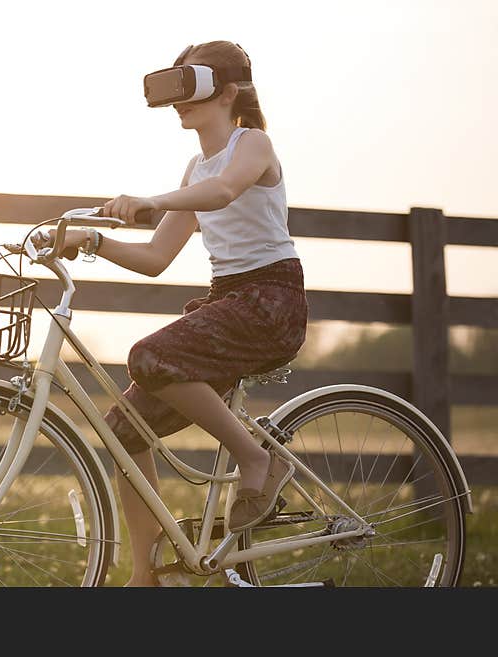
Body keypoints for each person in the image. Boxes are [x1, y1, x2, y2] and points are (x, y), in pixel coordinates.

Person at [50, 41, 308, 586]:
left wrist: (153, 200)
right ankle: (147, 576)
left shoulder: (252, 144)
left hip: (271, 302)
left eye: (189, 88)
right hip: (229, 301)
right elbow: (153, 258)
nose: (179, 103)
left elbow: (225, 190)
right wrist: (93, 238)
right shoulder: (194, 167)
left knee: (149, 355)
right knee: (123, 428)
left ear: (229, 93)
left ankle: (258, 459)